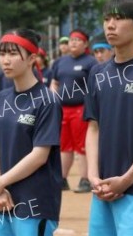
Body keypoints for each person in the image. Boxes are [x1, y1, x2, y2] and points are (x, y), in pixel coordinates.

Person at [0, 29, 62, 235]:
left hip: (34, 203)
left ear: (31, 59)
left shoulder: (47, 100)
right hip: (2, 200)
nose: (5, 60)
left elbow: (39, 156)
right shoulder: (2, 98)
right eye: (2, 54)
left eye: (13, 53)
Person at [84, 0, 133, 236]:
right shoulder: (98, 74)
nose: (110, 25)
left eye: (119, 18)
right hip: (102, 191)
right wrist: (92, 175)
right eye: (107, 18)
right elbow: (93, 127)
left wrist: (128, 178)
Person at [51, 29, 97, 193]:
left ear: (85, 44)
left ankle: (85, 179)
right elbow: (55, 82)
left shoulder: (91, 62)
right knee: (64, 145)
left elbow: (96, 85)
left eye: (78, 40)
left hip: (81, 109)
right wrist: (53, 96)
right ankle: (62, 179)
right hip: (63, 109)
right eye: (71, 40)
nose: (74, 43)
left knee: (81, 145)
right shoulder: (60, 62)